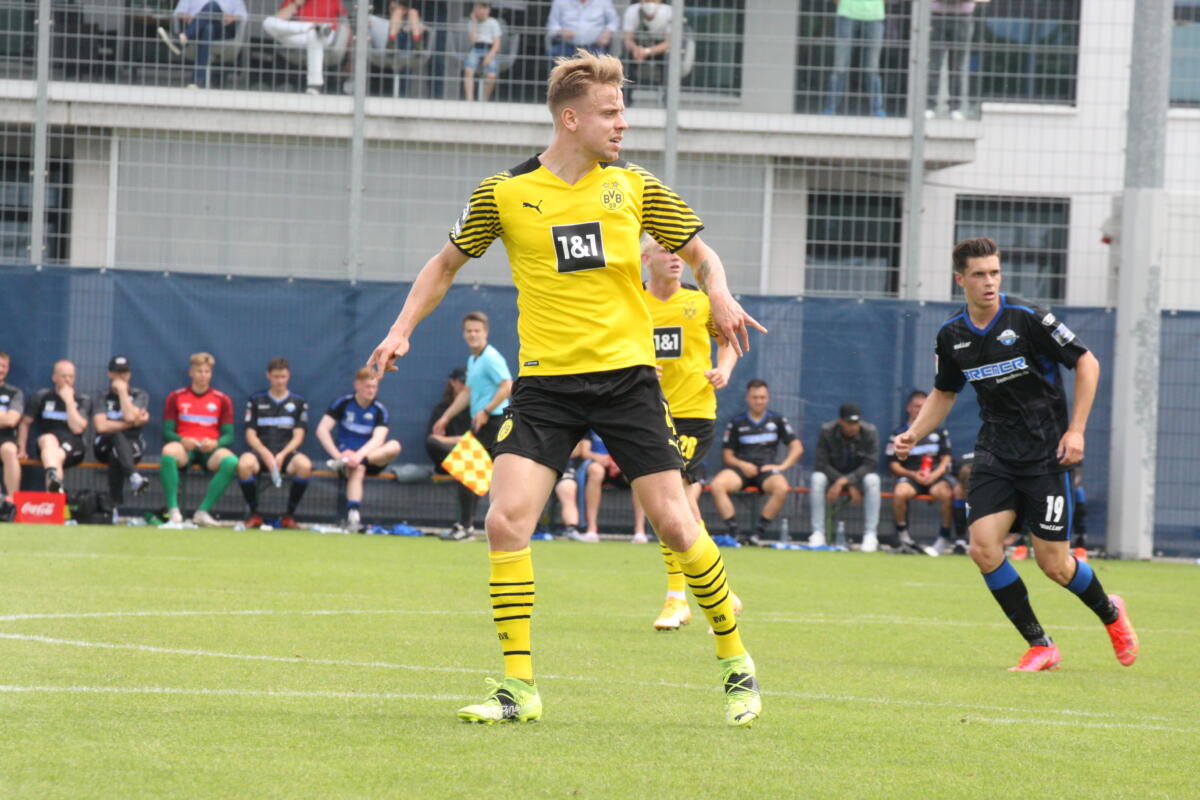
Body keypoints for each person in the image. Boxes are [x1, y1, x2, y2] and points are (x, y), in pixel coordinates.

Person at [367, 50, 764, 727]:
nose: (623, 124)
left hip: (627, 381)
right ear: (571, 117)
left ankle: (735, 660)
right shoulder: (505, 194)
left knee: (675, 520)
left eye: (623, 112)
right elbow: (444, 265)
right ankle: (519, 688)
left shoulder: (635, 186)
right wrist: (402, 328)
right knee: (504, 520)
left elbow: (702, 253)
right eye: (611, 113)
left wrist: (719, 294)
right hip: (548, 384)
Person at [894, 236, 1138, 672]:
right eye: (979, 275)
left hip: (1046, 455)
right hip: (995, 452)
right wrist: (913, 433)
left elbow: (1087, 362)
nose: (989, 282)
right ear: (960, 280)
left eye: (994, 273)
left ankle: (1111, 613)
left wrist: (1076, 431)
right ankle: (1041, 645)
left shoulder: (1028, 318)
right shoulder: (952, 335)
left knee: (1055, 565)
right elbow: (944, 392)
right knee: (984, 548)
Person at [641, 233, 739, 629]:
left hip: (694, 412)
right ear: (647, 259)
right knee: (675, 507)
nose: (676, 258)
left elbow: (729, 340)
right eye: (665, 251)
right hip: (647, 412)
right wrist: (641, 366)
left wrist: (725, 369)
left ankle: (677, 599)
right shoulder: (633, 302)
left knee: (673, 498)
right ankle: (718, 587)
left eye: (679, 251)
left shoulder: (699, 302)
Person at [433, 311, 513, 541]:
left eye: (477, 330)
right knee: (470, 474)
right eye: (469, 331)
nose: (473, 334)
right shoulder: (474, 359)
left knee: (470, 473)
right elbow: (467, 392)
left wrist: (486, 411)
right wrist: (446, 417)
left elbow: (507, 385)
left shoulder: (491, 358)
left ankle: (466, 527)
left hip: (495, 422)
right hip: (483, 422)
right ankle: (466, 527)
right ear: (464, 334)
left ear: (485, 332)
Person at [709, 379, 802, 546]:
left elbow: (797, 447)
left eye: (762, 397)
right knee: (717, 485)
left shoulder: (778, 420)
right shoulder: (736, 422)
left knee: (781, 487)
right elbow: (727, 456)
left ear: (768, 398)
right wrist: (743, 465)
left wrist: (781, 467)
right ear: (747, 398)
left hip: (766, 471)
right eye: (755, 397)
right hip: (741, 469)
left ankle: (757, 535)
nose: (759, 401)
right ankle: (735, 534)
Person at [316, 367, 402, 533]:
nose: (371, 390)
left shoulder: (379, 410)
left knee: (394, 446)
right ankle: (353, 515)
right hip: (345, 458)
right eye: (367, 386)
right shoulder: (343, 403)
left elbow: (379, 439)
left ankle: (349, 462)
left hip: (369, 458)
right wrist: (338, 455)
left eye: (374, 387)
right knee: (358, 469)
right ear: (357, 385)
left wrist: (358, 456)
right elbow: (322, 430)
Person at [160, 352, 238, 526]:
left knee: (231, 461)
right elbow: (166, 432)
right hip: (185, 448)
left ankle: (202, 512)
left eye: (207, 371)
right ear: (191, 373)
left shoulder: (222, 399)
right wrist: (182, 440)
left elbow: (229, 435)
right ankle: (173, 511)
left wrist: (215, 443)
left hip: (209, 449)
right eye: (199, 371)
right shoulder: (176, 397)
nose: (203, 375)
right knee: (168, 451)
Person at [236, 357, 312, 530]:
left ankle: (289, 516)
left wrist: (282, 455)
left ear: (289, 376)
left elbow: (299, 436)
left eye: (283, 376)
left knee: (305, 466)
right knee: (244, 464)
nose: (280, 381)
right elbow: (250, 434)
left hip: (286, 454)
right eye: (276, 376)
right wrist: (266, 454)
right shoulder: (256, 400)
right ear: (268, 376)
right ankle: (254, 514)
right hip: (261, 453)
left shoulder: (298, 402)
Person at [885, 390, 954, 555]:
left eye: (923, 407)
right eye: (916, 406)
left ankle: (943, 539)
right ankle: (904, 537)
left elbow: (946, 459)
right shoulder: (898, 434)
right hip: (911, 477)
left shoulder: (940, 432)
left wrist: (934, 475)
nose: (919, 410)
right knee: (900, 492)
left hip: (935, 477)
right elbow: (893, 465)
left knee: (946, 493)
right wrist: (913, 475)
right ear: (909, 408)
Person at [809, 402, 881, 550]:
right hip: (833, 477)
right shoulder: (826, 431)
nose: (853, 426)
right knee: (817, 478)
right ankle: (818, 533)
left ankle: (870, 535)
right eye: (849, 423)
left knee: (873, 480)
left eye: (856, 422)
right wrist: (842, 481)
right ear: (840, 421)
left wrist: (847, 481)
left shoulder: (870, 432)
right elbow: (821, 464)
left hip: (858, 479)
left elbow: (871, 464)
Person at [18, 360, 91, 494]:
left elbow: (78, 429)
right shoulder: (42, 396)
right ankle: (54, 485)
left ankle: (52, 477)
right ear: (54, 378)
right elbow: (25, 422)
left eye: (71, 376)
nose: (67, 380)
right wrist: (22, 449)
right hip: (48, 444)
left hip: (73, 445)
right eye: (64, 376)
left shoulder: (82, 399)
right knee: (48, 440)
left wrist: (69, 401)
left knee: (55, 456)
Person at [91, 356, 151, 514]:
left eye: (124, 372)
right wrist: (130, 423)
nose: (121, 376)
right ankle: (134, 476)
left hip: (133, 445)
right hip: (103, 444)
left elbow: (130, 415)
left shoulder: (140, 395)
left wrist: (123, 393)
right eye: (117, 373)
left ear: (130, 374)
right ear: (110, 374)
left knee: (116, 454)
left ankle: (114, 506)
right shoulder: (101, 396)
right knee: (115, 435)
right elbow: (101, 426)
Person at [262, 0, 349, 94]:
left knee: (314, 34)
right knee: (268, 22)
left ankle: (314, 85)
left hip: (325, 34)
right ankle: (312, 26)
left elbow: (346, 24)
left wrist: (349, 59)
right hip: (301, 33)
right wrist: (296, 4)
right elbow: (278, 19)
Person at [156, 0, 248, 88]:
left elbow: (243, 15)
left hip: (222, 30)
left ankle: (184, 38)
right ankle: (198, 81)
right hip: (198, 31)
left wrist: (232, 17)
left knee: (213, 5)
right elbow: (178, 12)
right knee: (207, 28)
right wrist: (191, 19)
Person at [822, 0, 886, 117]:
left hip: (874, 15)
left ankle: (877, 109)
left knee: (872, 66)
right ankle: (830, 108)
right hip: (847, 13)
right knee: (840, 65)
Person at [926, 1, 977, 120]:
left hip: (963, 17)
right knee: (934, 65)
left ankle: (955, 108)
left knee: (957, 67)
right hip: (937, 16)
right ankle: (929, 106)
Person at [621, 0, 672, 97]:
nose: (649, 3)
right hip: (637, 47)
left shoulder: (668, 11)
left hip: (659, 49)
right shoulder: (632, 10)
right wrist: (636, 49)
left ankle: (668, 99)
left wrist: (647, 51)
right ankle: (625, 98)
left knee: (670, 62)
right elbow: (627, 39)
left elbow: (669, 42)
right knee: (624, 60)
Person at [546, 0, 618, 61]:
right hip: (566, 46)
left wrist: (607, 33)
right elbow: (552, 26)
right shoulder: (560, 1)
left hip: (595, 47)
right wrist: (561, 31)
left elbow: (614, 21)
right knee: (554, 55)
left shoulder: (604, 1)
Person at [0, 351, 25, 519]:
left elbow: (12, 420)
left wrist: (7, 417)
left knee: (9, 450)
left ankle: (12, 504)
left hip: (5, 437)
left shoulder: (14, 392)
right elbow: (6, 417)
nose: (0, 369)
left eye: (4, 366)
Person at [463, 3, 502, 102]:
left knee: (491, 75)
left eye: (485, 8)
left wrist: (490, 55)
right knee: (468, 70)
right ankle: (469, 99)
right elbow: (472, 40)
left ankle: (484, 99)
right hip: (476, 48)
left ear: (488, 10)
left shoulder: (493, 23)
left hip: (489, 49)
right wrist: (474, 23)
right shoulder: (471, 23)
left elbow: (497, 44)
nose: (482, 11)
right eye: (479, 8)